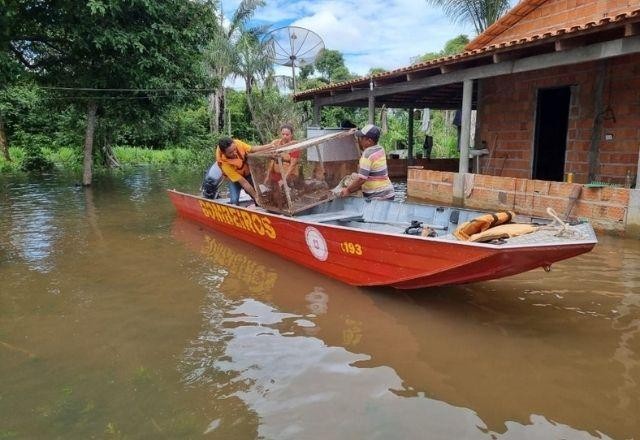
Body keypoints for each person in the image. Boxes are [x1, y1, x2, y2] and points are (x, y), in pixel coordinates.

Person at [339, 124, 395, 200]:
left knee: (354, 179)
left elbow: (361, 179)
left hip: (377, 197)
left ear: (369, 141)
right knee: (354, 176)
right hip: (389, 193)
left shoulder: (367, 155)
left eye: (361, 138)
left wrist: (348, 190)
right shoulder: (380, 149)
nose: (359, 140)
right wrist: (354, 132)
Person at [216, 137, 273, 205]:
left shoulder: (238, 143)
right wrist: (256, 196)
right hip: (235, 180)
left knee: (260, 194)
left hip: (247, 173)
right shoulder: (225, 165)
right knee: (234, 200)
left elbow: (252, 149)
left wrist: (270, 145)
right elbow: (244, 182)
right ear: (224, 153)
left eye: (235, 149)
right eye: (230, 152)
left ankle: (260, 206)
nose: (234, 153)